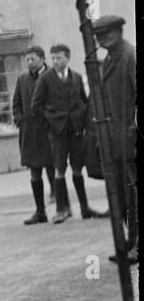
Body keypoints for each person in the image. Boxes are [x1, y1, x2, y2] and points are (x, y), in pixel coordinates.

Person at [32, 43, 103, 223]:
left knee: (78, 168)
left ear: (68, 57)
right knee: (59, 169)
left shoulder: (77, 77)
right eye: (53, 58)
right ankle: (62, 209)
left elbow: (84, 102)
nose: (55, 61)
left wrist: (82, 120)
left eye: (59, 57)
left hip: (76, 131)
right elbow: (36, 106)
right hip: (57, 132)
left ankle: (84, 207)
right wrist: (51, 121)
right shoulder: (45, 79)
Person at [92, 15, 137, 264]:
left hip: (129, 141)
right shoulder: (109, 59)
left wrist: (133, 131)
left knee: (134, 198)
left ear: (120, 31)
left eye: (108, 33)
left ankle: (136, 246)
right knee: (122, 197)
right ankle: (130, 244)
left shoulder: (130, 56)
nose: (103, 39)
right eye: (99, 36)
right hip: (115, 143)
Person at [12, 45, 57, 225]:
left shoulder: (52, 76)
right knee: (34, 170)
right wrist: (19, 119)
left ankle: (61, 206)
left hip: (49, 130)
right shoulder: (23, 79)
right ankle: (40, 211)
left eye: (32, 59)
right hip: (29, 132)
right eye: (27, 60)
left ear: (42, 59)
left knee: (53, 166)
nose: (29, 63)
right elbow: (16, 103)